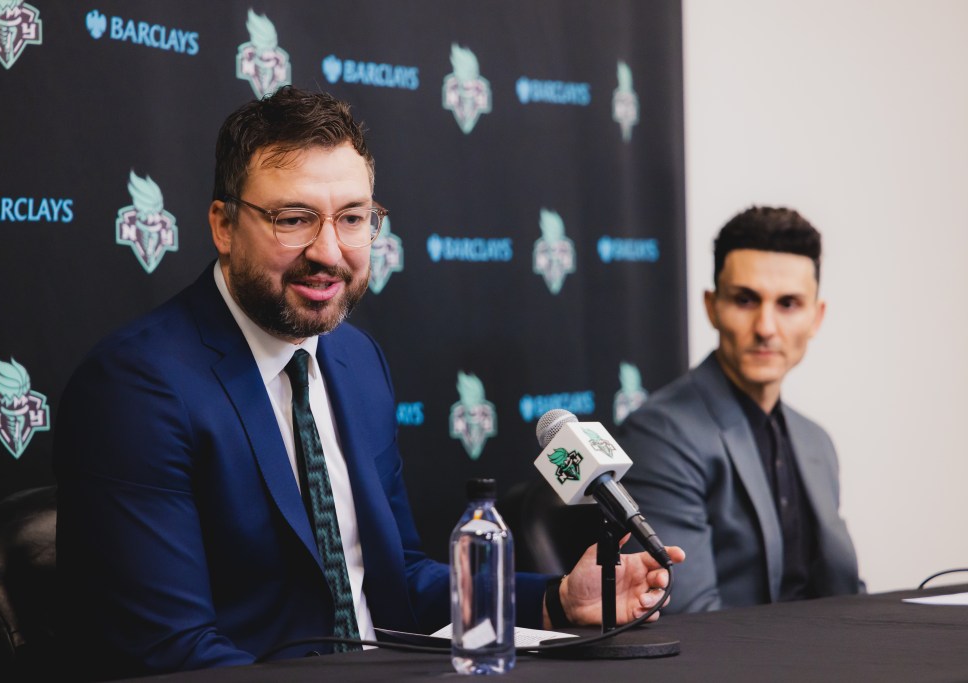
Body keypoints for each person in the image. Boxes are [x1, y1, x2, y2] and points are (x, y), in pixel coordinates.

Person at [53, 86, 684, 680]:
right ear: (223, 225)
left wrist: (554, 603)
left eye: (353, 218)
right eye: (294, 218)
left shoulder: (354, 359)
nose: (330, 251)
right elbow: (173, 652)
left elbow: (396, 580)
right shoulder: (136, 388)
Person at [619, 206, 860, 614]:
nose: (766, 326)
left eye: (788, 304)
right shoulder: (660, 435)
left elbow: (847, 595)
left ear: (816, 318)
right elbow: (689, 619)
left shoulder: (816, 441)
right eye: (745, 300)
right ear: (712, 307)